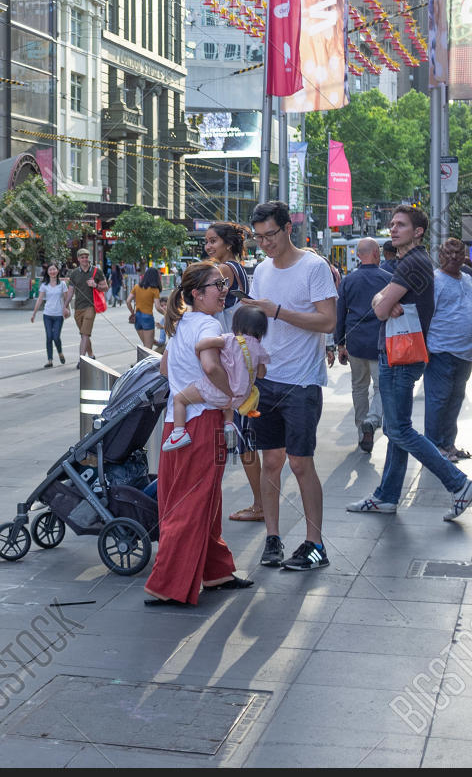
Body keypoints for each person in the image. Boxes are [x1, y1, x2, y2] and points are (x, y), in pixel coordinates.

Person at [346, 206, 472, 522]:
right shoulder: (411, 262)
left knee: (398, 429)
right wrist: (384, 300)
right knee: (397, 428)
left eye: (401, 225)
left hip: (400, 356)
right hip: (400, 353)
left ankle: (458, 484)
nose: (393, 229)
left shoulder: (413, 262)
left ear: (418, 231)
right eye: (392, 224)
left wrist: (384, 302)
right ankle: (386, 496)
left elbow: (378, 309)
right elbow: (379, 301)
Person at [143, 262, 253, 606]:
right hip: (202, 424)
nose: (223, 290)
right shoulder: (207, 324)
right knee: (191, 503)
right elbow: (209, 366)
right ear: (196, 293)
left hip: (177, 427)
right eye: (216, 285)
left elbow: (163, 367)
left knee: (197, 499)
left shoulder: (180, 325)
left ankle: (216, 572)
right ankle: (167, 585)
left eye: (224, 283)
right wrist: (233, 392)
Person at [238, 201, 339, 570]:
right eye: (259, 238)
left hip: (302, 381)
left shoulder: (314, 267)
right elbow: (260, 320)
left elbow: (327, 321)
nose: (265, 244)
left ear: (287, 229)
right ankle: (273, 538)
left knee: (300, 463)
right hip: (267, 380)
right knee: (272, 462)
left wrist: (276, 310)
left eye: (270, 235)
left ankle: (315, 545)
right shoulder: (262, 270)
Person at [161, 304, 270, 451]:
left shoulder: (231, 340)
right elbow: (262, 373)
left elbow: (205, 343)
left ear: (237, 325)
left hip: (219, 391)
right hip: (240, 397)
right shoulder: (259, 349)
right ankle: (229, 425)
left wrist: (198, 349)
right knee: (229, 400)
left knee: (180, 399)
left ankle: (179, 433)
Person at [423, 238, 472, 462]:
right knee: (438, 400)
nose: (453, 257)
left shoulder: (467, 278)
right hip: (442, 351)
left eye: (458, 253)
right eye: (448, 253)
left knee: (455, 399)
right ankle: (433, 447)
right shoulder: (435, 280)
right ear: (440, 256)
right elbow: (426, 316)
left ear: (464, 256)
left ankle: (448, 444)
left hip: (465, 354)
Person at [335, 238, 392, 453]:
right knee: (381, 387)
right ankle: (373, 418)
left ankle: (362, 431)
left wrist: (340, 343)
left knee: (359, 387)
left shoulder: (349, 281)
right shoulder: (389, 279)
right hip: (381, 342)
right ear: (377, 254)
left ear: (359, 255)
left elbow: (340, 314)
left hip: (356, 342)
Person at [64, 248, 104, 358]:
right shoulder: (74, 273)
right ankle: (91, 354)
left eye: (86, 257)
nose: (85, 259)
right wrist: (65, 306)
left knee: (85, 333)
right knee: (83, 334)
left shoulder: (96, 271)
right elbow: (70, 292)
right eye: (82, 257)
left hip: (91, 306)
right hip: (78, 307)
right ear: (78, 259)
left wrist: (96, 285)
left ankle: (82, 359)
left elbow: (105, 287)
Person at [31, 262, 68, 367]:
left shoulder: (62, 284)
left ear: (57, 271)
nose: (52, 271)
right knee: (49, 337)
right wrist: (34, 314)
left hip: (58, 315)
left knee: (56, 337)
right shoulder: (44, 285)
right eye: (50, 270)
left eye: (54, 269)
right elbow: (39, 299)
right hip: (47, 314)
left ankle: (60, 352)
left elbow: (66, 299)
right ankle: (50, 360)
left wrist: (67, 309)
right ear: (47, 272)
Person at [127, 267, 162, 351]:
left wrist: (132, 312)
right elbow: (157, 307)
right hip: (147, 318)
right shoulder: (154, 289)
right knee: (148, 349)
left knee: (145, 345)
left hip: (137, 317)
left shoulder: (136, 287)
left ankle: (160, 345)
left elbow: (128, 301)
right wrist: (167, 313)